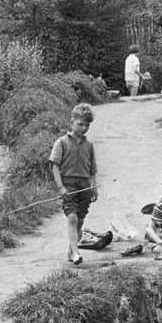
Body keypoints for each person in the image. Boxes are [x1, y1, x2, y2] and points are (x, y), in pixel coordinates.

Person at [50, 102, 98, 266]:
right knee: (72, 218)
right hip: (68, 185)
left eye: (87, 125)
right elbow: (55, 166)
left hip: (84, 185)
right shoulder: (61, 142)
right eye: (80, 124)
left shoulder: (89, 145)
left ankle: (71, 250)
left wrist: (94, 187)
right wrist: (61, 187)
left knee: (81, 219)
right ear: (72, 122)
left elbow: (92, 170)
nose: (84, 128)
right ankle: (77, 252)